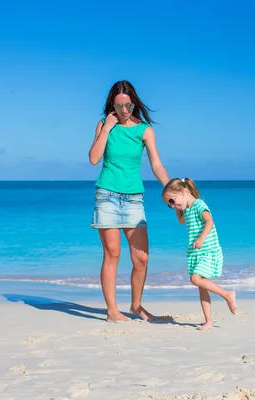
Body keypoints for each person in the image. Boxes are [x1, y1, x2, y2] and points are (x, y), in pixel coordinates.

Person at [88, 80, 170, 322]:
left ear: (135, 103)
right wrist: (106, 129)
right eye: (119, 106)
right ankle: (112, 311)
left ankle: (136, 306)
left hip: (134, 198)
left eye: (129, 106)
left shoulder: (144, 130)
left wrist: (171, 189)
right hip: (107, 196)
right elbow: (94, 158)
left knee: (141, 257)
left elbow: (156, 164)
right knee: (112, 253)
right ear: (112, 105)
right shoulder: (104, 124)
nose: (125, 111)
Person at [162, 178, 237, 330]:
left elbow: (210, 221)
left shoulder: (199, 205)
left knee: (195, 279)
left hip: (208, 250)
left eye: (172, 200)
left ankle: (227, 294)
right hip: (196, 252)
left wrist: (202, 238)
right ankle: (208, 321)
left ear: (183, 192)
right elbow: (182, 221)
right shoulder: (186, 209)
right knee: (202, 287)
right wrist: (177, 206)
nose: (172, 205)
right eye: (169, 205)